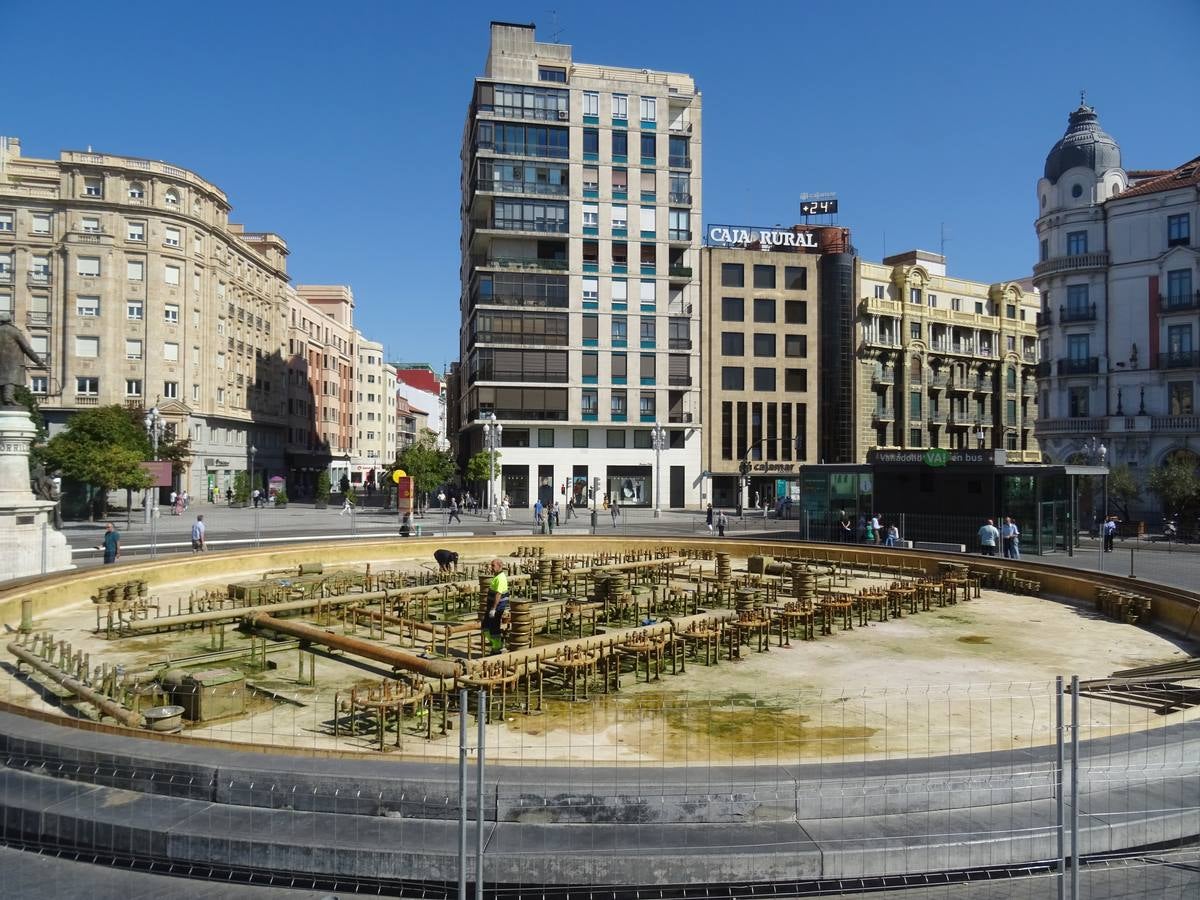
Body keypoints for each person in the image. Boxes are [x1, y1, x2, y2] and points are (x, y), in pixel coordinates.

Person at [482, 558, 509, 654]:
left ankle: (497, 648)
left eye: (493, 566)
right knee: (485, 626)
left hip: (497, 607)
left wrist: (493, 609)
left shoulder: (501, 578)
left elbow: (498, 594)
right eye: (491, 565)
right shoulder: (496, 576)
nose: (491, 568)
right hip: (492, 606)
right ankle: (496, 645)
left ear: (499, 566)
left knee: (494, 627)